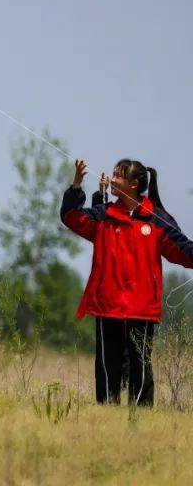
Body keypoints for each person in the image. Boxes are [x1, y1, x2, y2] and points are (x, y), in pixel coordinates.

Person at [61, 159, 193, 406]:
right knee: (107, 365)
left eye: (118, 176)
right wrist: (77, 185)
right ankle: (107, 415)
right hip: (107, 304)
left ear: (133, 184)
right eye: (112, 175)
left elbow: (183, 250)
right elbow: (71, 217)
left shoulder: (156, 220)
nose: (112, 180)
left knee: (140, 365)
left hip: (142, 308)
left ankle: (140, 417)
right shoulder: (103, 216)